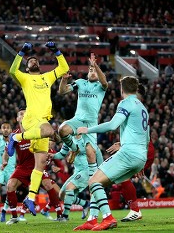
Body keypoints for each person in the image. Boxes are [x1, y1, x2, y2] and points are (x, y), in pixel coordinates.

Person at [77, 76, 149, 231]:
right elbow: (147, 137)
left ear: (122, 89)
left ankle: (108, 218)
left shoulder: (126, 103)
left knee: (93, 182)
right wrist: (140, 162)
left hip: (128, 154)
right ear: (136, 89)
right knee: (99, 183)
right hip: (140, 156)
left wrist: (87, 129)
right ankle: (92, 219)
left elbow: (112, 125)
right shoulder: (143, 108)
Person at [7, 41, 69, 215]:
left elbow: (64, 67)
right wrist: (20, 53)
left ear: (39, 65)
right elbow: (12, 70)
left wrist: (57, 51)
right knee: (50, 131)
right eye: (30, 61)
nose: (33, 61)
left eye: (35, 60)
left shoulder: (47, 77)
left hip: (42, 120)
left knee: (40, 165)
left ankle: (31, 198)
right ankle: (16, 138)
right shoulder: (25, 78)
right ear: (27, 68)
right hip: (32, 120)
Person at [57, 53, 108, 228]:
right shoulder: (80, 83)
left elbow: (105, 82)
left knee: (95, 167)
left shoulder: (101, 87)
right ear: (87, 73)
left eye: (95, 70)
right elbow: (62, 91)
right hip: (78, 120)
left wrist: (97, 66)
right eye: (91, 69)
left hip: (91, 126)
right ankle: (74, 148)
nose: (93, 71)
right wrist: (64, 80)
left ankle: (96, 210)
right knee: (62, 129)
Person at [104, 84, 155, 222]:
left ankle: (135, 210)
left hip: (141, 150)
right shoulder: (140, 108)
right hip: (142, 148)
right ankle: (134, 209)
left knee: (121, 177)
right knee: (120, 178)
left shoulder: (132, 106)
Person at [3, 109, 63, 225]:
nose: (24, 115)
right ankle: (14, 217)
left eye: (25, 113)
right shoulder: (15, 134)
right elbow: (6, 152)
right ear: (17, 118)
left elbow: (52, 140)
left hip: (37, 166)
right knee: (10, 185)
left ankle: (60, 215)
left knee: (48, 184)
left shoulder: (36, 131)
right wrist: (4, 161)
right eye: (21, 114)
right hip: (23, 167)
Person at [50, 135, 91, 222]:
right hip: (77, 171)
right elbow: (61, 154)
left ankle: (64, 216)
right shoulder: (68, 140)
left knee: (69, 188)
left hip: (86, 170)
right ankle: (85, 204)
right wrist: (52, 156)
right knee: (62, 194)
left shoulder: (86, 138)